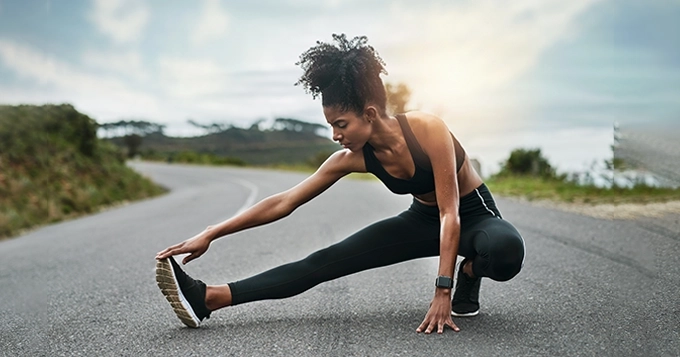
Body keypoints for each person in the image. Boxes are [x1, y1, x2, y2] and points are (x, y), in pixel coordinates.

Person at [155, 34, 525, 334]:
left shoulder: (428, 129)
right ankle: (210, 298)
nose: (334, 135)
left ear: (368, 113)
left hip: (471, 213)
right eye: (330, 125)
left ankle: (469, 273)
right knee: (324, 261)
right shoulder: (352, 157)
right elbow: (285, 201)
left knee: (506, 251)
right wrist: (212, 232)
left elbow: (451, 212)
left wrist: (443, 289)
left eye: (341, 124)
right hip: (422, 220)